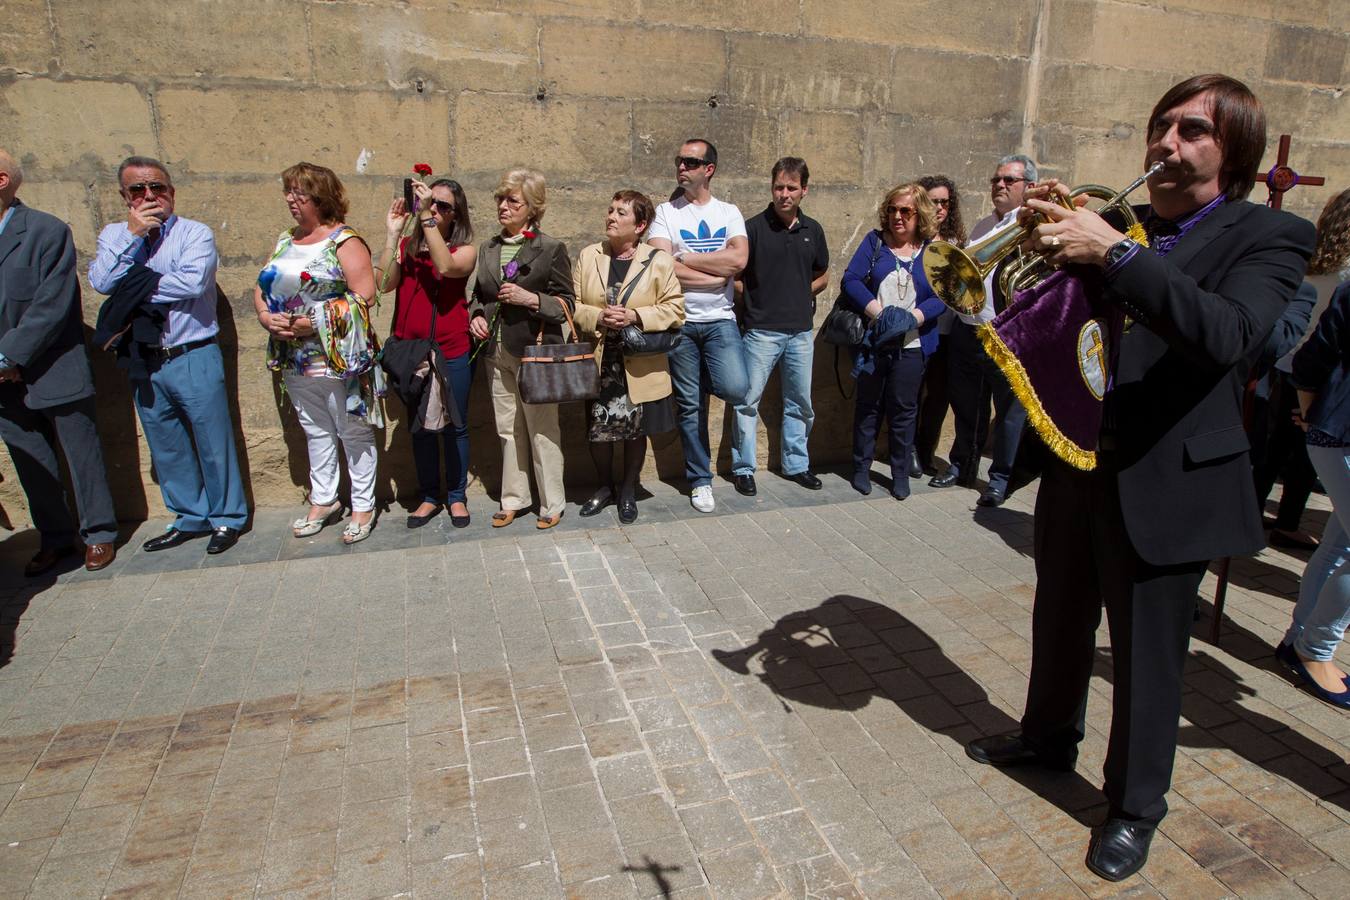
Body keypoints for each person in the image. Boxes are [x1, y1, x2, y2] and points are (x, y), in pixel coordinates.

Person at [964, 75, 1315, 881]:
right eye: (1161, 125)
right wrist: (1046, 249)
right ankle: (1047, 737)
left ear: (1236, 150)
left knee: (1148, 656)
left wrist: (1114, 253)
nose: (1167, 141)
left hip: (1169, 476)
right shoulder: (1125, 220)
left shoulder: (1269, 234)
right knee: (1058, 618)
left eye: (1193, 130)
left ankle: (1133, 808)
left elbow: (1229, 335)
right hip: (1080, 457)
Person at [90, 155, 248, 557]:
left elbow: (192, 282)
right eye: (138, 190)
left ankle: (227, 517)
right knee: (166, 442)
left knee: (213, 441)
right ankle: (189, 517)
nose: (149, 196)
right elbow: (103, 281)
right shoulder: (115, 235)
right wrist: (133, 236)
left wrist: (133, 286)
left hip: (192, 351)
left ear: (171, 192)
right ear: (125, 196)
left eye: (157, 187)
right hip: (144, 357)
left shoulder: (195, 233)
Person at [0, 148, 118, 574]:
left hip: (52, 365)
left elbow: (50, 305)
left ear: (2, 180)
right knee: (30, 461)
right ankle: (55, 537)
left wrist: (8, 355)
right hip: (2, 380)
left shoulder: (45, 231)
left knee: (81, 454)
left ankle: (99, 534)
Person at [255, 162, 383, 545]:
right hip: (296, 357)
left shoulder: (344, 241)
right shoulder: (285, 239)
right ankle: (324, 500)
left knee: (352, 430)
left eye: (300, 193)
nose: (291, 200)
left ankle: (363, 505)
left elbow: (365, 295)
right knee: (315, 430)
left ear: (320, 197)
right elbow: (263, 284)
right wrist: (265, 315)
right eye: (289, 191)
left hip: (338, 356)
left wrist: (315, 322)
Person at [467, 169, 574, 530]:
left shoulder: (551, 249)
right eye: (500, 199)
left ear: (533, 208)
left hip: (535, 352)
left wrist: (532, 299)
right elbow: (479, 295)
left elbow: (567, 306)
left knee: (542, 430)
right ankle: (514, 498)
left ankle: (552, 502)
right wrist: (476, 316)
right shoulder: (489, 248)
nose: (503, 206)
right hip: (496, 352)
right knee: (507, 428)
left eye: (513, 201)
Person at [647, 139, 749, 514]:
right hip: (681, 322)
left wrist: (688, 257)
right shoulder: (665, 213)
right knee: (689, 407)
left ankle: (707, 376)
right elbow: (660, 265)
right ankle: (700, 479)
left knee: (736, 386)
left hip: (720, 322)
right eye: (679, 160)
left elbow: (738, 260)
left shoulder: (729, 211)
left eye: (690, 161)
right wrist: (711, 276)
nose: (682, 166)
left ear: (709, 169)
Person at [572, 191, 685, 524]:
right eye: (610, 210)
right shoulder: (588, 255)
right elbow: (573, 305)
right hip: (598, 357)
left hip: (637, 360)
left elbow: (676, 309)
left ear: (641, 225)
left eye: (621, 213)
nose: (611, 216)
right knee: (598, 428)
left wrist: (634, 316)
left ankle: (627, 489)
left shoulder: (659, 260)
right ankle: (604, 486)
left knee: (636, 430)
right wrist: (598, 317)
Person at [930, 155, 1036, 507]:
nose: (1000, 186)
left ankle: (1001, 479)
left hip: (1007, 332)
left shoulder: (1033, 226)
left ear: (1029, 187)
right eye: (996, 180)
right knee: (966, 406)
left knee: (1009, 412)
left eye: (1009, 180)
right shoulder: (980, 226)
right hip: (968, 328)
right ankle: (962, 465)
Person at [377, 178, 477, 529]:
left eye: (442, 206)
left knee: (455, 426)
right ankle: (430, 496)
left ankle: (457, 496)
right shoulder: (407, 246)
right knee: (420, 428)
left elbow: (447, 267)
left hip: (450, 350)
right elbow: (383, 284)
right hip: (411, 352)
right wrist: (393, 235)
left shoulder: (464, 248)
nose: (433, 209)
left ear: (455, 215)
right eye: (429, 202)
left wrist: (425, 218)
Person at [1255, 187, 1350, 548]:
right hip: (1322, 370)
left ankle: (1252, 514)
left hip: (1288, 359)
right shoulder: (1347, 270)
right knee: (1301, 458)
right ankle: (1288, 521)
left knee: (1274, 447)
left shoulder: (1315, 255)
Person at [731, 157, 830, 496]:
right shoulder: (753, 228)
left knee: (800, 403)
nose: (784, 194)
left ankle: (796, 464)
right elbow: (736, 279)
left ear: (804, 190)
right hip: (760, 332)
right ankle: (744, 469)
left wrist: (803, 293)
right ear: (771, 188)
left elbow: (824, 274)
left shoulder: (812, 230)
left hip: (801, 332)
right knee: (747, 401)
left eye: (791, 188)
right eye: (778, 187)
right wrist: (759, 301)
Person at [840, 182, 944, 500]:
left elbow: (945, 293)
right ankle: (861, 469)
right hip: (875, 342)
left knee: (903, 410)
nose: (897, 216)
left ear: (920, 214)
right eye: (892, 210)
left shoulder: (932, 250)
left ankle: (900, 473)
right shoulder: (874, 242)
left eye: (906, 211)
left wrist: (914, 318)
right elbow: (851, 279)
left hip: (912, 346)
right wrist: (878, 313)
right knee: (868, 408)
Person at [1279, 280, 1350, 708]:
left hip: (1334, 433)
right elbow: (1308, 362)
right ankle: (1313, 649)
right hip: (1340, 435)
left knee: (1339, 545)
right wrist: (1311, 412)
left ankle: (1300, 642)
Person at [913, 174, 968, 476]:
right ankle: (906, 450)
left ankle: (925, 451)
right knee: (911, 394)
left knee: (938, 396)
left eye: (945, 202)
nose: (940, 207)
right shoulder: (912, 239)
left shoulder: (957, 242)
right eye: (934, 201)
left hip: (948, 331)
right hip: (918, 328)